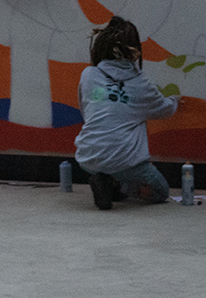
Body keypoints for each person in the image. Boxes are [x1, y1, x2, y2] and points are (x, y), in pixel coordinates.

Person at [76, 16, 178, 211]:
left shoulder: (88, 75)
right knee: (160, 192)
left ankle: (107, 182)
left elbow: (87, 110)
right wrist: (174, 101)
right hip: (125, 162)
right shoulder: (141, 84)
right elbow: (163, 109)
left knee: (110, 165)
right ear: (134, 50)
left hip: (88, 157)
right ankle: (119, 185)